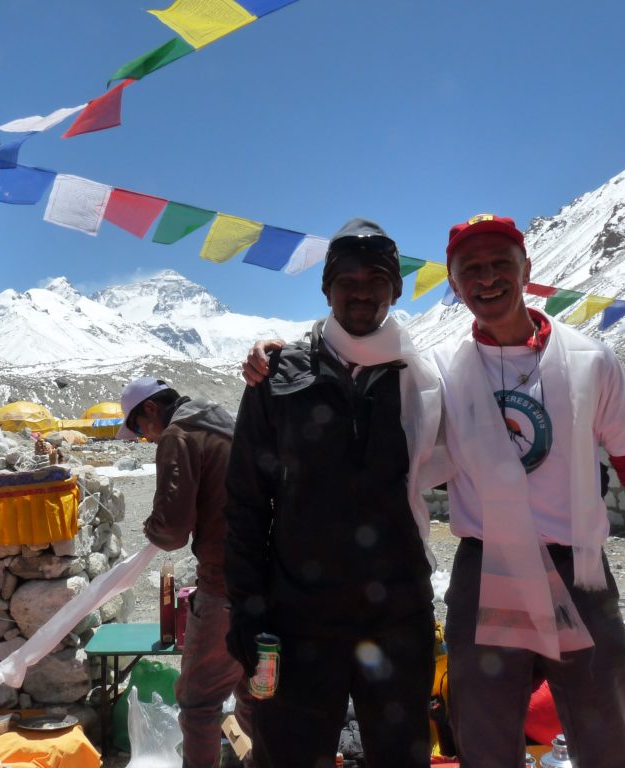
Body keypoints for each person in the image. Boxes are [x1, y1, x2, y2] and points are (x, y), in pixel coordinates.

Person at [434, 213, 625, 767]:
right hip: (486, 573)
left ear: (528, 269)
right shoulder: (439, 372)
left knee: (605, 742)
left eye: (501, 263)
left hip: (580, 573)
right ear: (452, 284)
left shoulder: (590, 360)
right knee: (484, 741)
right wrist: (283, 350)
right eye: (470, 269)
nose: (487, 278)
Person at [224, 219, 449, 768]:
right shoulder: (277, 376)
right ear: (326, 289)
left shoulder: (425, 376)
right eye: (346, 278)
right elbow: (246, 504)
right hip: (298, 622)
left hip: (398, 617)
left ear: (396, 289)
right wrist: (247, 616)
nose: (362, 290)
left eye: (377, 277)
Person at [116, 376, 253, 768]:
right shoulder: (226, 427)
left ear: (151, 410)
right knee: (255, 695)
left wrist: (150, 528)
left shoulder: (180, 435)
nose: (145, 438)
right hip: (271, 586)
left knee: (198, 703)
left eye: (141, 428)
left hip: (224, 586)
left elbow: (172, 531)